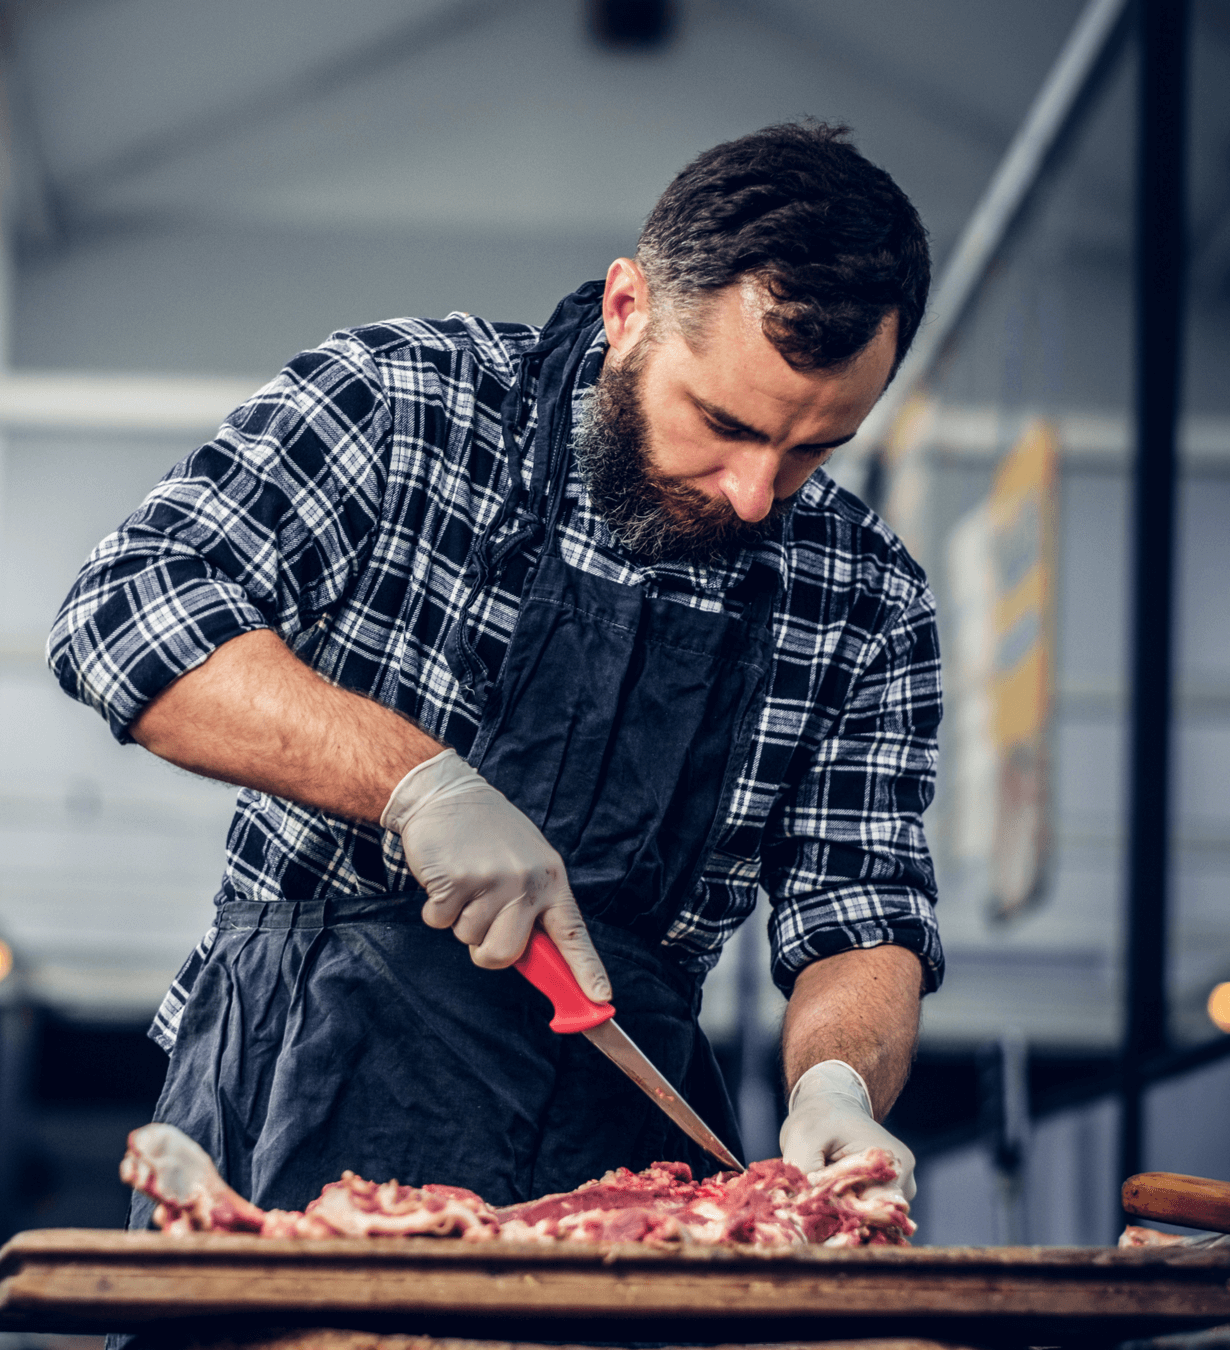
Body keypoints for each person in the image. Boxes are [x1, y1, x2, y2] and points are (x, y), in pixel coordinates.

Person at [48, 120, 942, 1221]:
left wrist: (837, 1088)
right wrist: (417, 786)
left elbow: (860, 913)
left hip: (620, 1159)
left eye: (812, 450)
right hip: (292, 1101)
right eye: (722, 424)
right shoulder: (401, 405)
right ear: (628, 311)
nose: (755, 492)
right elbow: (124, 609)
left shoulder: (866, 594)